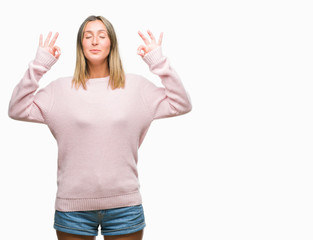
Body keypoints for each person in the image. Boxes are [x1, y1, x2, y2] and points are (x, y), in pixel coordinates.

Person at [8, 15, 192, 240]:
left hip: (125, 206)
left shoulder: (136, 87)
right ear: (81, 45)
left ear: (111, 43)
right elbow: (17, 109)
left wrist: (158, 63)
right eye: (88, 36)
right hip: (72, 209)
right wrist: (38, 66)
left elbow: (181, 103)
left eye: (101, 35)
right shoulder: (59, 90)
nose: (95, 41)